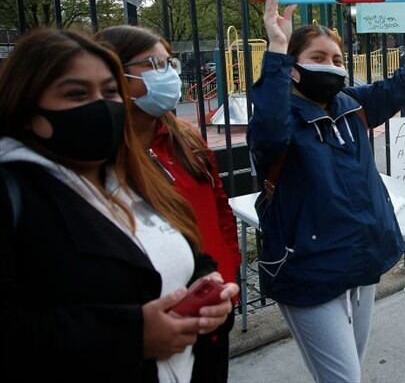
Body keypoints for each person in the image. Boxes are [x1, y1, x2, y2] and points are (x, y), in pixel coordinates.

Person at [0, 28, 239, 382]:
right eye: (77, 94)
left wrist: (212, 287)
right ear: (27, 109)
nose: (100, 104)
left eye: (109, 91)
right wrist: (131, 336)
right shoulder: (16, 192)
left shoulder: (126, 171)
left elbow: (189, 247)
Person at [248, 0, 405, 383]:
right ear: (296, 70)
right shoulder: (280, 116)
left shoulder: (353, 105)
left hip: (361, 260)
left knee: (348, 371)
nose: (332, 65)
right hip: (310, 271)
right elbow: (268, 129)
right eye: (319, 56)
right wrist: (278, 48)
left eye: (337, 59)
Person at [95, 25, 243, 383]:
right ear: (116, 75)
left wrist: (228, 273)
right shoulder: (101, 156)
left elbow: (220, 210)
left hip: (214, 304)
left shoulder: (186, 138)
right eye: (155, 64)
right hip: (156, 323)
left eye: (170, 63)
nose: (170, 74)